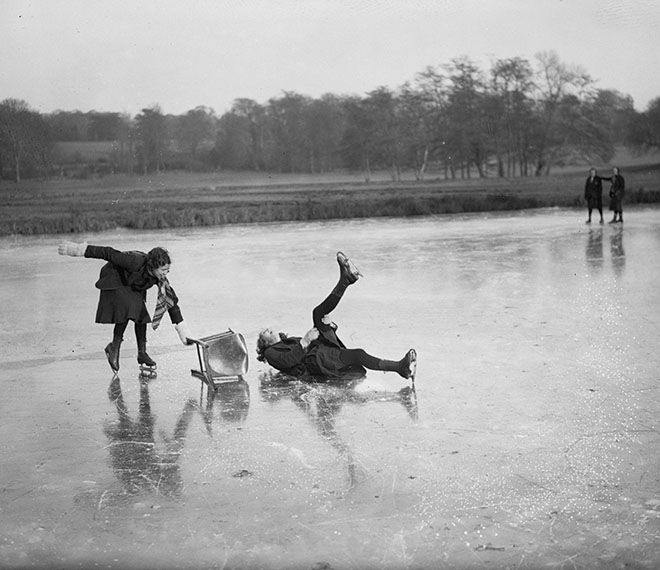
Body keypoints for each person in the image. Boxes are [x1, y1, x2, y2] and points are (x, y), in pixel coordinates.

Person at [256, 252, 417, 382]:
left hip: (320, 351)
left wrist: (328, 326)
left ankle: (345, 280)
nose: (270, 330)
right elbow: (288, 361)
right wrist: (305, 341)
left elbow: (306, 343)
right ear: (265, 343)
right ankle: (399, 367)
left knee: (318, 314)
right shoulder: (271, 353)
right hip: (317, 361)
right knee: (359, 355)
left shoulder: (286, 341)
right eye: (267, 333)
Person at [58, 241, 192, 374]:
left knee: (140, 313)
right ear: (154, 266)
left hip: (131, 285)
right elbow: (108, 253)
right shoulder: (134, 260)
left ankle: (142, 353)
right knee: (128, 307)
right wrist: (78, 250)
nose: (165, 273)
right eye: (163, 270)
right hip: (114, 277)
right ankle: (114, 347)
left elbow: (171, 301)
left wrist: (182, 331)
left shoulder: (159, 279)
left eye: (167, 270)